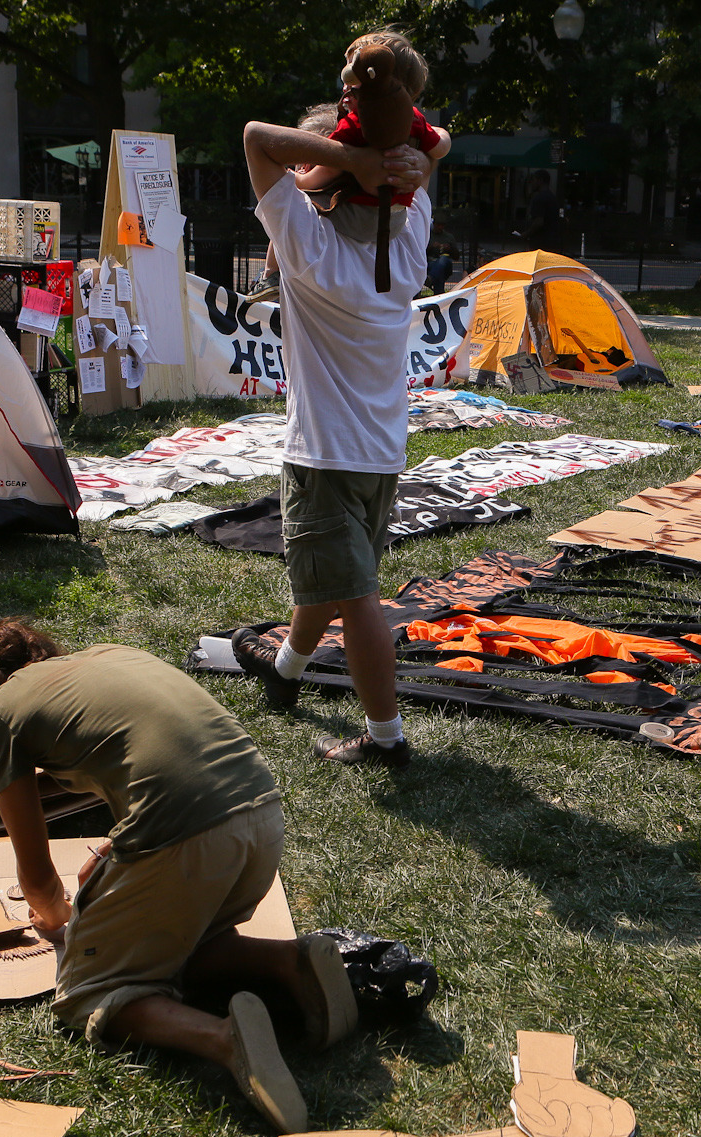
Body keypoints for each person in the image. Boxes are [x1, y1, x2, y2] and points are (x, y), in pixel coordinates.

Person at [0, 621, 358, 1134]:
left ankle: (223, 1038)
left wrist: (62, 921)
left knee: (87, 992)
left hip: (188, 839)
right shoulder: (112, 654)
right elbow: (164, 759)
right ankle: (293, 961)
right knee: (178, 944)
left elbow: (37, 872)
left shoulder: (0, 714)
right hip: (262, 818)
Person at [234, 44, 437, 767]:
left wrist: (349, 157)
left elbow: (257, 138)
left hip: (322, 456)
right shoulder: (411, 235)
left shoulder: (308, 247)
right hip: (382, 455)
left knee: (356, 597)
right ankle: (286, 669)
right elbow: (422, 152)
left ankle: (386, 738)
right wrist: (401, 157)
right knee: (337, 575)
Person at [294, 32, 453, 244]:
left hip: (355, 218)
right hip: (396, 220)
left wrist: (298, 180)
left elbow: (329, 167)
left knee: (303, 202)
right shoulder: (414, 120)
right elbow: (440, 146)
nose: (345, 87)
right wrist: (426, 155)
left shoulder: (355, 123)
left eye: (352, 78)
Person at [244, 103, 341, 304]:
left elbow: (254, 136)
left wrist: (288, 176)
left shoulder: (304, 227)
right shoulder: (392, 228)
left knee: (280, 225)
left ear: (306, 161)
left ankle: (270, 274)